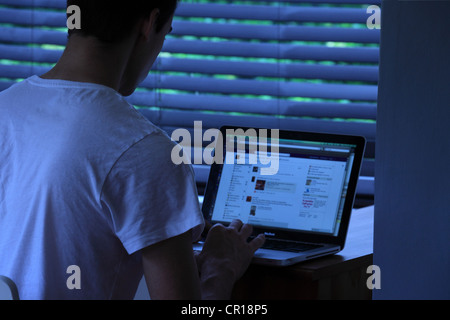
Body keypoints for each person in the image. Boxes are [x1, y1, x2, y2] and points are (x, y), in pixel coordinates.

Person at [0, 0, 265, 300]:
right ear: (150, 23)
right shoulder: (146, 152)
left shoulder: (5, 108)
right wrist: (220, 268)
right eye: (165, 33)